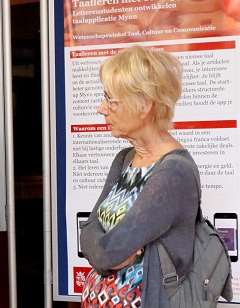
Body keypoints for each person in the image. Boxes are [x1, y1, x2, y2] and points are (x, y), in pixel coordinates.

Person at [79, 45, 200, 307]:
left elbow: (108, 253)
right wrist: (102, 248)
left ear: (144, 106)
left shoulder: (173, 172)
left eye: (111, 101)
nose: (102, 109)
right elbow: (88, 231)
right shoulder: (125, 159)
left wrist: (103, 251)